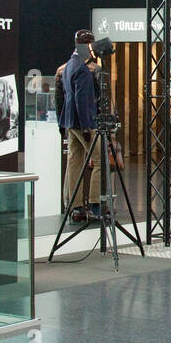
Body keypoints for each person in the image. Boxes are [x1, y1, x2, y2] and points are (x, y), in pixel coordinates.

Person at [59, 28, 102, 223]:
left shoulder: (68, 65)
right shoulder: (83, 69)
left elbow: (64, 96)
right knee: (100, 160)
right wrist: (86, 127)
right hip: (82, 122)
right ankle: (95, 204)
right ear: (86, 45)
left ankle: (74, 205)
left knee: (74, 162)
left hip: (69, 122)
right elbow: (81, 100)